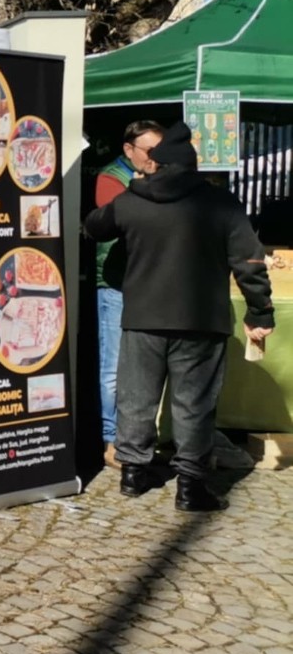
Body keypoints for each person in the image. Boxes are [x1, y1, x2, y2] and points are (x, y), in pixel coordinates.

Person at [84, 121, 275, 512]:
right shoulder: (221, 203)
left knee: (137, 398)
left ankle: (133, 473)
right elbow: (250, 262)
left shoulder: (133, 199)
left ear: (157, 162)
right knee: (194, 404)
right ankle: (190, 486)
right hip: (201, 320)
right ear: (193, 165)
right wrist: (260, 312)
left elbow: (94, 227)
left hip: (143, 316)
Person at [93, 119, 164, 469]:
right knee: (113, 368)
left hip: (149, 284)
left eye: (160, 151)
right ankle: (111, 441)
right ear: (128, 149)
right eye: (149, 150)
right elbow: (121, 221)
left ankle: (137, 437)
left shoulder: (159, 176)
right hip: (116, 283)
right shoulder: (110, 178)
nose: (155, 158)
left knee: (145, 368)